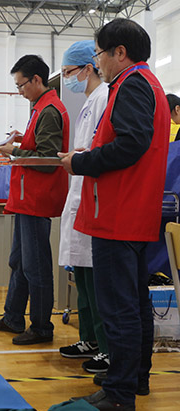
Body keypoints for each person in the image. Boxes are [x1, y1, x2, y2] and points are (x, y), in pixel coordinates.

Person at [59, 19, 170, 410]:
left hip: (118, 213)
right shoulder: (146, 85)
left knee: (119, 308)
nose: (99, 63)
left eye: (100, 55)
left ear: (119, 52)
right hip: (131, 212)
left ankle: (120, 392)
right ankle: (134, 379)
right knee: (133, 305)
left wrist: (81, 162)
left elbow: (130, 145)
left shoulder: (132, 85)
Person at [0, 54, 70, 345]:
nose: (20, 91)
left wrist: (14, 152)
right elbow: (41, 145)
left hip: (36, 199)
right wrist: (23, 139)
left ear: (37, 79)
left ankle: (41, 327)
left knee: (36, 266)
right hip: (27, 198)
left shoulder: (49, 110)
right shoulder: (40, 108)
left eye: (21, 85)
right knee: (19, 261)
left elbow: (48, 158)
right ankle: (13, 316)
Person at [57, 40, 110, 374]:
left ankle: (106, 347)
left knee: (96, 282)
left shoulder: (104, 97)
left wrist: (77, 158)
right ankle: (89, 338)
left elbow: (98, 149)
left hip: (92, 198)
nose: (67, 79)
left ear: (88, 67)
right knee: (83, 278)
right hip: (79, 194)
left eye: (69, 72)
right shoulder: (89, 101)